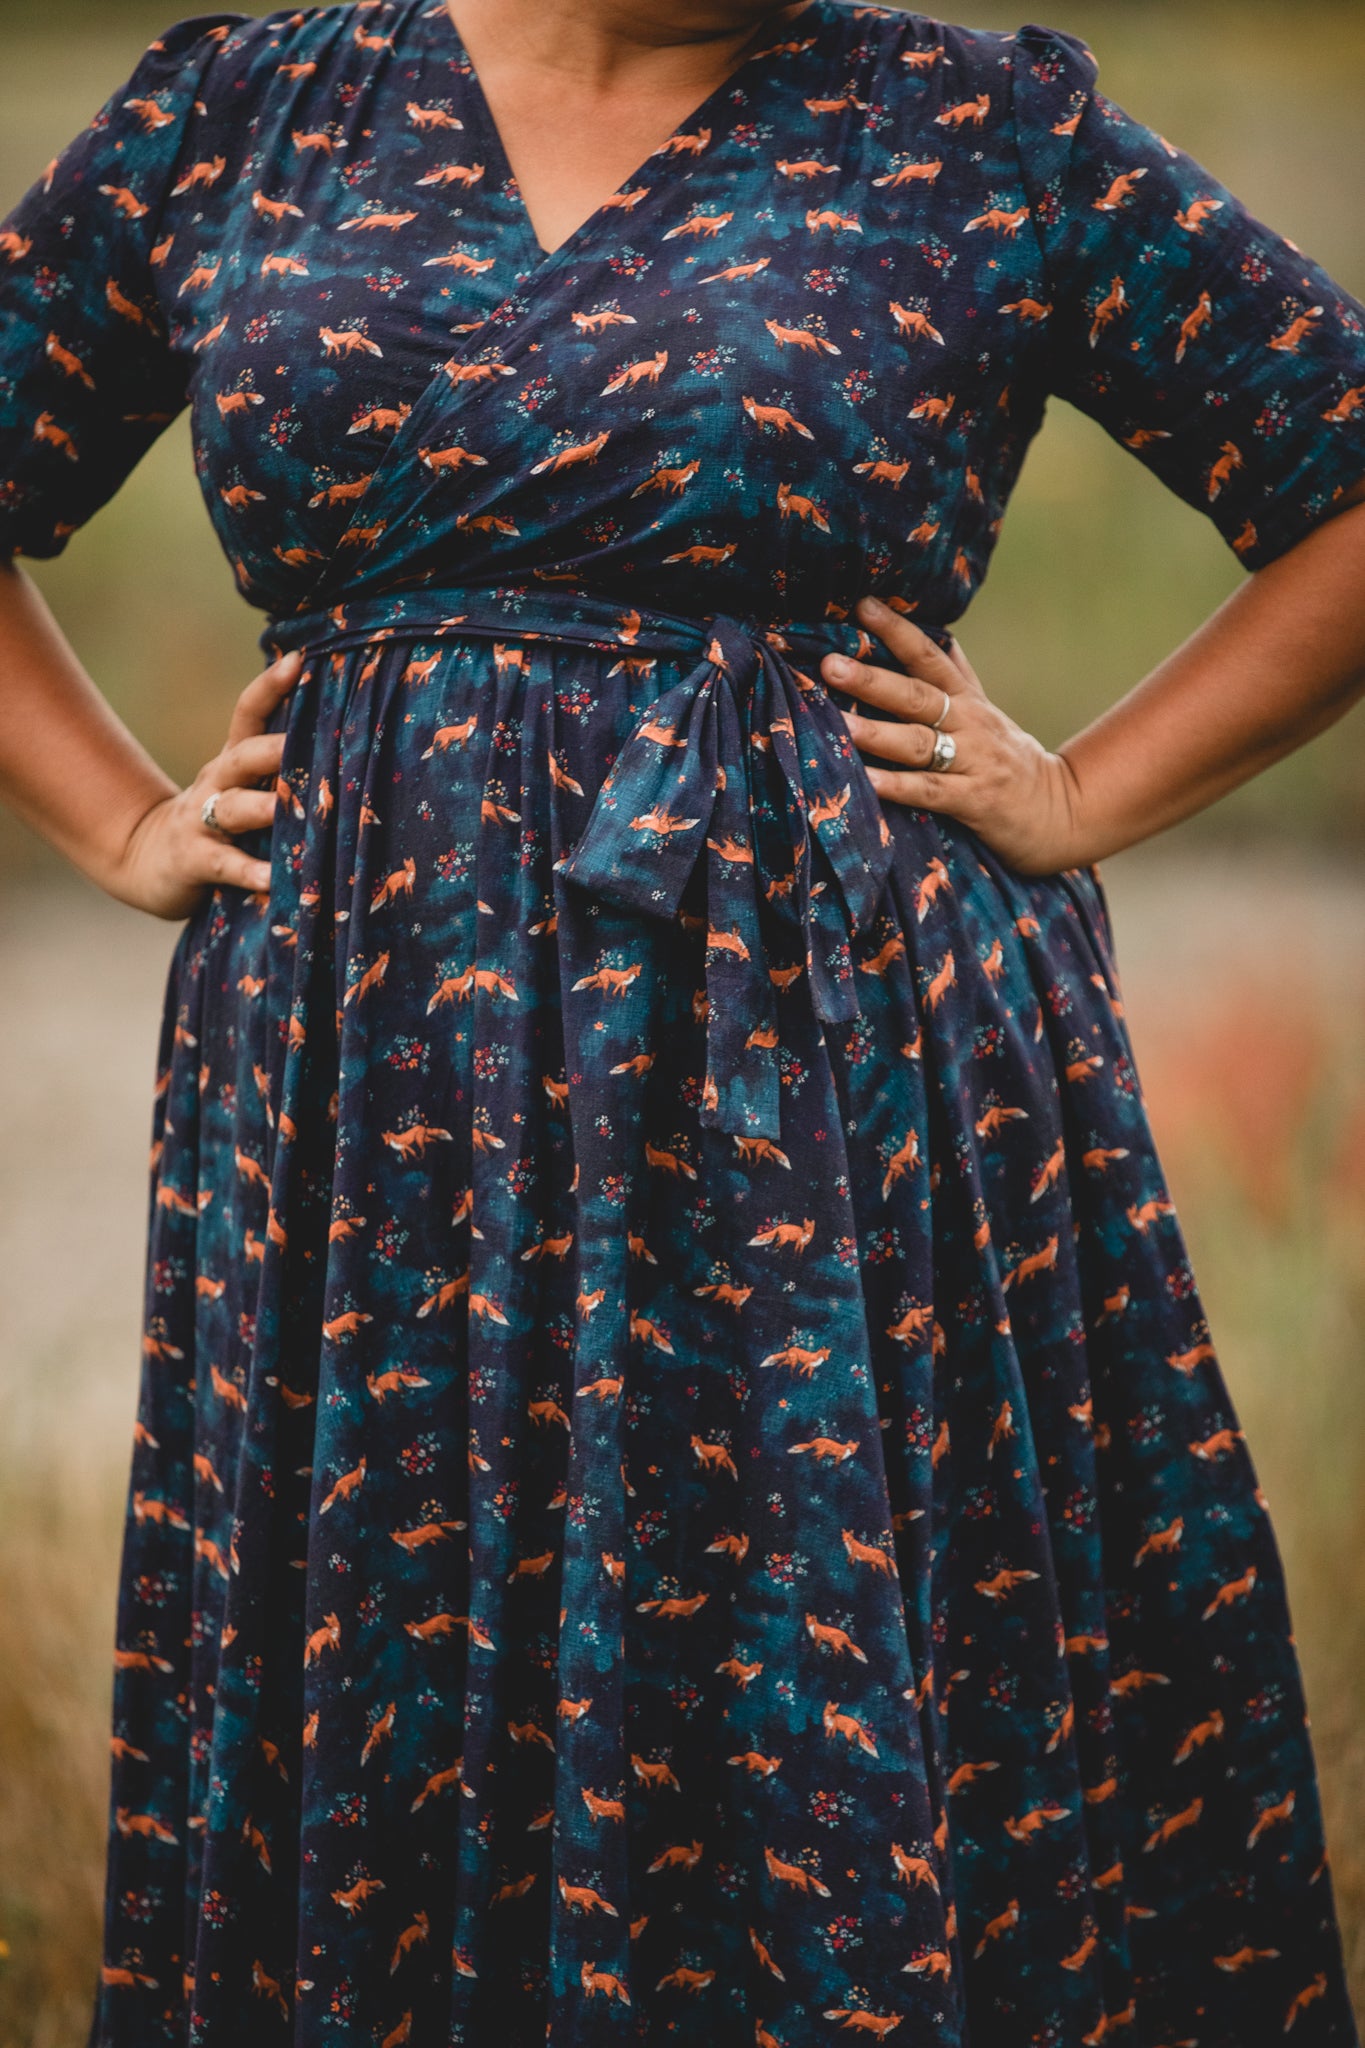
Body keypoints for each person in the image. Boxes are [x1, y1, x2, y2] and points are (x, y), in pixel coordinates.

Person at [0, 1, 1362, 2041]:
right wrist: (114, 818)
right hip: (374, 1091)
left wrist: (1080, 789)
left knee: (802, 1684)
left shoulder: (972, 124)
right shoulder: (248, 113)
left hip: (827, 1080)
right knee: (399, 1675)